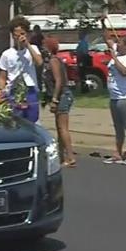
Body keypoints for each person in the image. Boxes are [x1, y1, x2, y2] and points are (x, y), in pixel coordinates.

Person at [103, 33, 126, 166]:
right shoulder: (117, 52)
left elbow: (124, 72)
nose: (116, 44)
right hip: (114, 97)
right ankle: (117, 153)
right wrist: (103, 22)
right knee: (118, 127)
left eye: (120, 43)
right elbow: (107, 39)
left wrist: (114, 57)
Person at [0, 16, 44, 123]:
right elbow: (2, 76)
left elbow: (39, 62)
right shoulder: (7, 54)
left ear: (27, 34)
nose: (19, 37)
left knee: (33, 120)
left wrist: (27, 45)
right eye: (16, 35)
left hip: (30, 90)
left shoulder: (33, 49)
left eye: (22, 34)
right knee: (16, 121)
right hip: (13, 91)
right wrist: (2, 92)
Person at [42, 36, 76, 168]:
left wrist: (55, 99)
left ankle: (70, 157)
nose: (43, 48)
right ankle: (62, 157)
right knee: (59, 128)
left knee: (63, 128)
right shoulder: (51, 61)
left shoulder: (54, 61)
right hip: (59, 95)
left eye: (45, 46)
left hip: (62, 96)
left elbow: (59, 81)